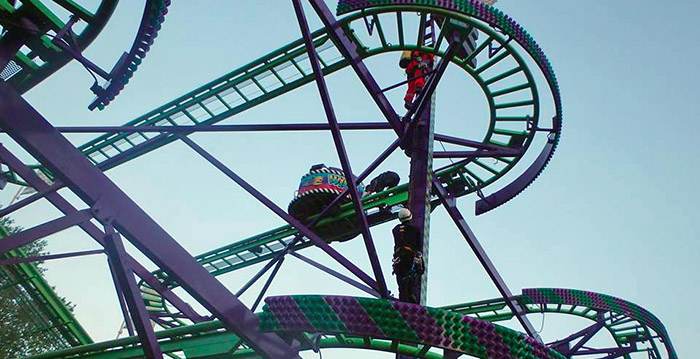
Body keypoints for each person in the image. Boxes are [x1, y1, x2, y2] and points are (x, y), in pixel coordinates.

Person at [391, 208, 424, 302]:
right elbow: (418, 246)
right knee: (416, 275)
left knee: (401, 283)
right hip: (410, 257)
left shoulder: (395, 230)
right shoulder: (415, 230)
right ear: (410, 216)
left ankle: (404, 299)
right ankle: (412, 296)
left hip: (399, 258)